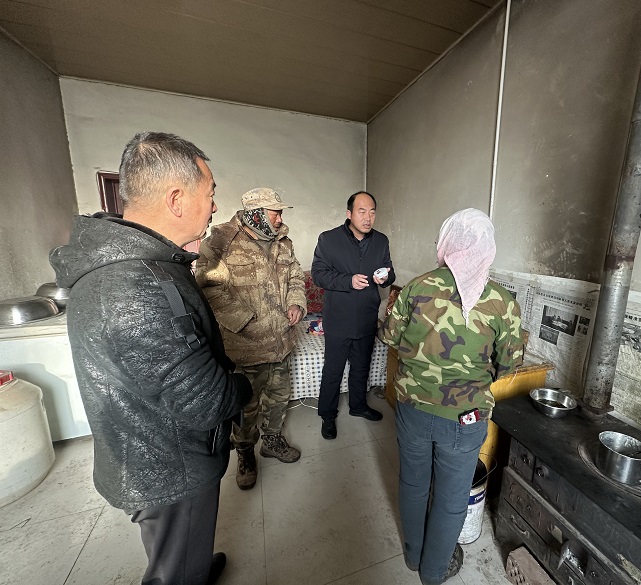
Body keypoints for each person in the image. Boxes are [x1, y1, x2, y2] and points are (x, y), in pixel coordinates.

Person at [50, 132, 252, 585]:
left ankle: (193, 565)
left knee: (184, 552)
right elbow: (203, 400)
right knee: (174, 569)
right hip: (168, 465)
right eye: (210, 193)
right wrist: (242, 384)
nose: (214, 205)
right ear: (177, 199)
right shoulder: (134, 285)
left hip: (156, 445)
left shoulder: (141, 264)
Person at [380, 208, 524, 585]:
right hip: (465, 417)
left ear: (448, 242)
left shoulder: (416, 288)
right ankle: (433, 571)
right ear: (487, 248)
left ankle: (413, 555)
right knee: (450, 497)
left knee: (413, 484)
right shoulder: (502, 302)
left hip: (412, 408)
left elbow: (390, 338)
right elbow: (509, 363)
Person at [195, 188, 307, 490]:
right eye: (275, 212)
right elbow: (208, 288)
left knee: (278, 398)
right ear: (255, 213)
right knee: (246, 406)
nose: (280, 218)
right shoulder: (221, 242)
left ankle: (272, 441)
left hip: (281, 342)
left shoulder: (283, 242)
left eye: (280, 212)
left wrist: (296, 303)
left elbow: (296, 277)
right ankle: (245, 452)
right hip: (246, 345)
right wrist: (245, 320)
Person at [311, 191, 396, 439]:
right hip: (338, 317)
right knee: (333, 370)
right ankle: (327, 415)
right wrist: (348, 281)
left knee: (361, 366)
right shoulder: (329, 239)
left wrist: (385, 277)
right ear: (349, 214)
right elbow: (318, 274)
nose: (368, 217)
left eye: (372, 212)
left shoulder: (381, 241)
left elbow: (390, 272)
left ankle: (358, 406)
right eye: (362, 211)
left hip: (367, 317)